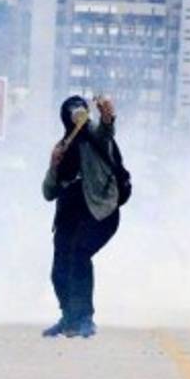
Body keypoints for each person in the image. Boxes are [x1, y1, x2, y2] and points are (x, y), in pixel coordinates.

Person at [41, 95, 121, 338]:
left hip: (99, 211)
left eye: (80, 110)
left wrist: (107, 118)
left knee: (79, 255)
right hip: (69, 214)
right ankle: (69, 318)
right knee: (59, 268)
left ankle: (85, 317)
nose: (77, 115)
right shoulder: (63, 146)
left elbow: (105, 132)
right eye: (72, 111)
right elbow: (48, 192)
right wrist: (54, 165)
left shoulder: (94, 138)